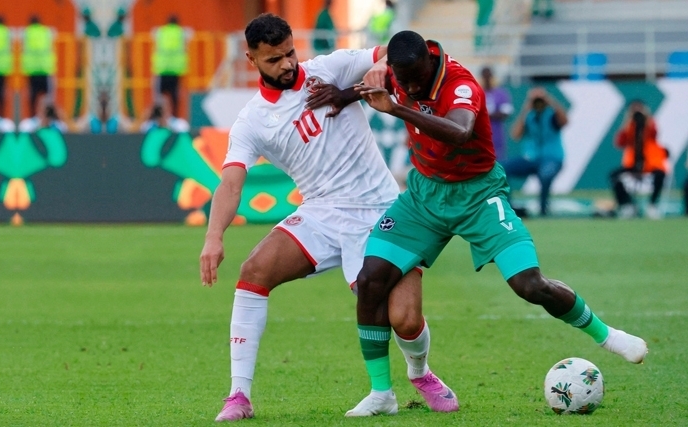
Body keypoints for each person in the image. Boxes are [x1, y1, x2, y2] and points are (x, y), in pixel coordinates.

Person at [350, 30, 648, 415]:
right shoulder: (398, 72)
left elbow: (459, 132)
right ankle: (381, 394)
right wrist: (341, 95)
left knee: (529, 284)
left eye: (414, 80)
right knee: (371, 278)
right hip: (425, 196)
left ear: (429, 59)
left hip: (479, 195)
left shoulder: (460, 84)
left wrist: (396, 107)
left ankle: (609, 336)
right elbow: (371, 85)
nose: (409, 87)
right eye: (401, 80)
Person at [198, 14, 455, 422]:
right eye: (273, 60)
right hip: (321, 211)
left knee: (404, 320)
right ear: (251, 59)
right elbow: (231, 184)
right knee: (254, 271)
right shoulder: (251, 122)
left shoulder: (329, 69)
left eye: (289, 53)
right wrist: (214, 236)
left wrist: (381, 62)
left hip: (382, 209)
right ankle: (239, 396)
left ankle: (420, 375)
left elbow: (404, 45)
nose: (286, 65)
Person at [502, 87, 567, 216]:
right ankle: (508, 207)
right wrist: (526, 109)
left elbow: (565, 121)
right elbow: (515, 135)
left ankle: (543, 208)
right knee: (502, 169)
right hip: (531, 158)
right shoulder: (529, 116)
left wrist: (550, 101)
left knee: (546, 174)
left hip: (551, 157)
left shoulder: (551, 114)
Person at [609, 100, 669, 220]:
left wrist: (645, 118)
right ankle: (627, 205)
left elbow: (654, 133)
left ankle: (652, 205)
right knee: (614, 176)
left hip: (650, 163)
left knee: (660, 175)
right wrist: (628, 122)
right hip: (633, 163)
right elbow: (620, 142)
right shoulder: (629, 125)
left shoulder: (649, 123)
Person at [151, 15, 190, 117]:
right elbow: (191, 34)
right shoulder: (181, 32)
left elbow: (152, 33)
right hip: (176, 71)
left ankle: (158, 117)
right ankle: (174, 116)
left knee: (159, 97)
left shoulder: (161, 32)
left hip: (162, 69)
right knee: (175, 98)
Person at [20, 15, 56, 117]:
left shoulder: (27, 33)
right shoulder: (46, 32)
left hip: (31, 70)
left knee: (32, 98)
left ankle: (33, 117)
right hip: (45, 70)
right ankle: (48, 118)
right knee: (48, 97)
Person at [480, 66, 513, 161]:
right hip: (480, 136)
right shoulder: (477, 93)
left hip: (496, 134)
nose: (486, 79)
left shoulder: (501, 93)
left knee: (498, 162)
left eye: (488, 76)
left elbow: (506, 112)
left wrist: (485, 115)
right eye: (484, 76)